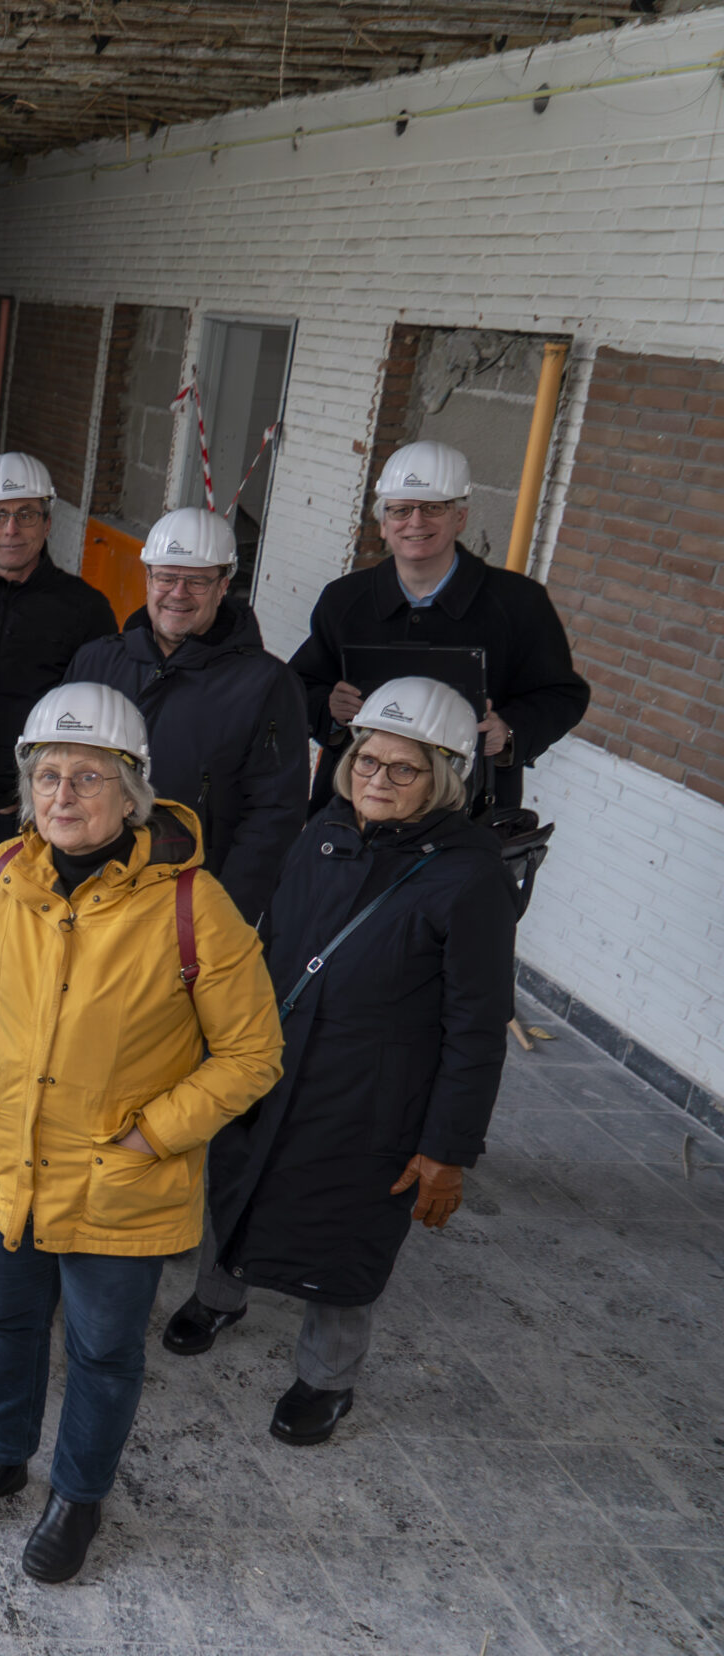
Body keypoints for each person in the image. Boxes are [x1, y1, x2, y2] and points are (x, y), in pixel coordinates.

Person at [0, 683, 281, 1583]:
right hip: (5, 1159)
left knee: (102, 1350)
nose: (64, 795)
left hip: (120, 1182)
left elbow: (252, 1052)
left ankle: (78, 1496)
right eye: (47, 774)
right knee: (4, 1318)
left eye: (89, 775)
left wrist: (153, 1136)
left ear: (135, 793)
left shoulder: (195, 906)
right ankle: (3, 1455)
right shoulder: (4, 873)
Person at [164, 678, 517, 1446]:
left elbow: (478, 1027)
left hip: (373, 1094)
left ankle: (328, 1378)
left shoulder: (470, 875)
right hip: (275, 1064)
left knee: (347, 1228)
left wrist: (447, 1149)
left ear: (448, 777)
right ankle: (219, 1297)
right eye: (367, 760)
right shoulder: (323, 831)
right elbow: (270, 941)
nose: (376, 779)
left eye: (403, 769)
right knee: (236, 1181)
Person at [291, 439, 590, 816]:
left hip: (468, 812)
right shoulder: (343, 600)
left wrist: (510, 731)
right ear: (383, 523)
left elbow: (562, 694)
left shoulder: (518, 603)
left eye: (433, 508)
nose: (416, 522)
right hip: (354, 808)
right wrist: (328, 707)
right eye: (400, 510)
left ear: (459, 518)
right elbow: (297, 686)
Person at [64, 506, 308, 921]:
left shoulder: (266, 685)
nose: (178, 593)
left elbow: (273, 816)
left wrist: (224, 913)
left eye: (196, 580)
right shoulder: (96, 662)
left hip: (186, 903)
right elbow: (54, 769)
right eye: (166, 577)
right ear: (148, 579)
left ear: (223, 585)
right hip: (88, 886)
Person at [0, 452, 117, 817]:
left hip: (36, 812)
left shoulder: (88, 611)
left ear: (46, 524)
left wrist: (41, 793)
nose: (11, 529)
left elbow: (98, 723)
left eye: (25, 514)